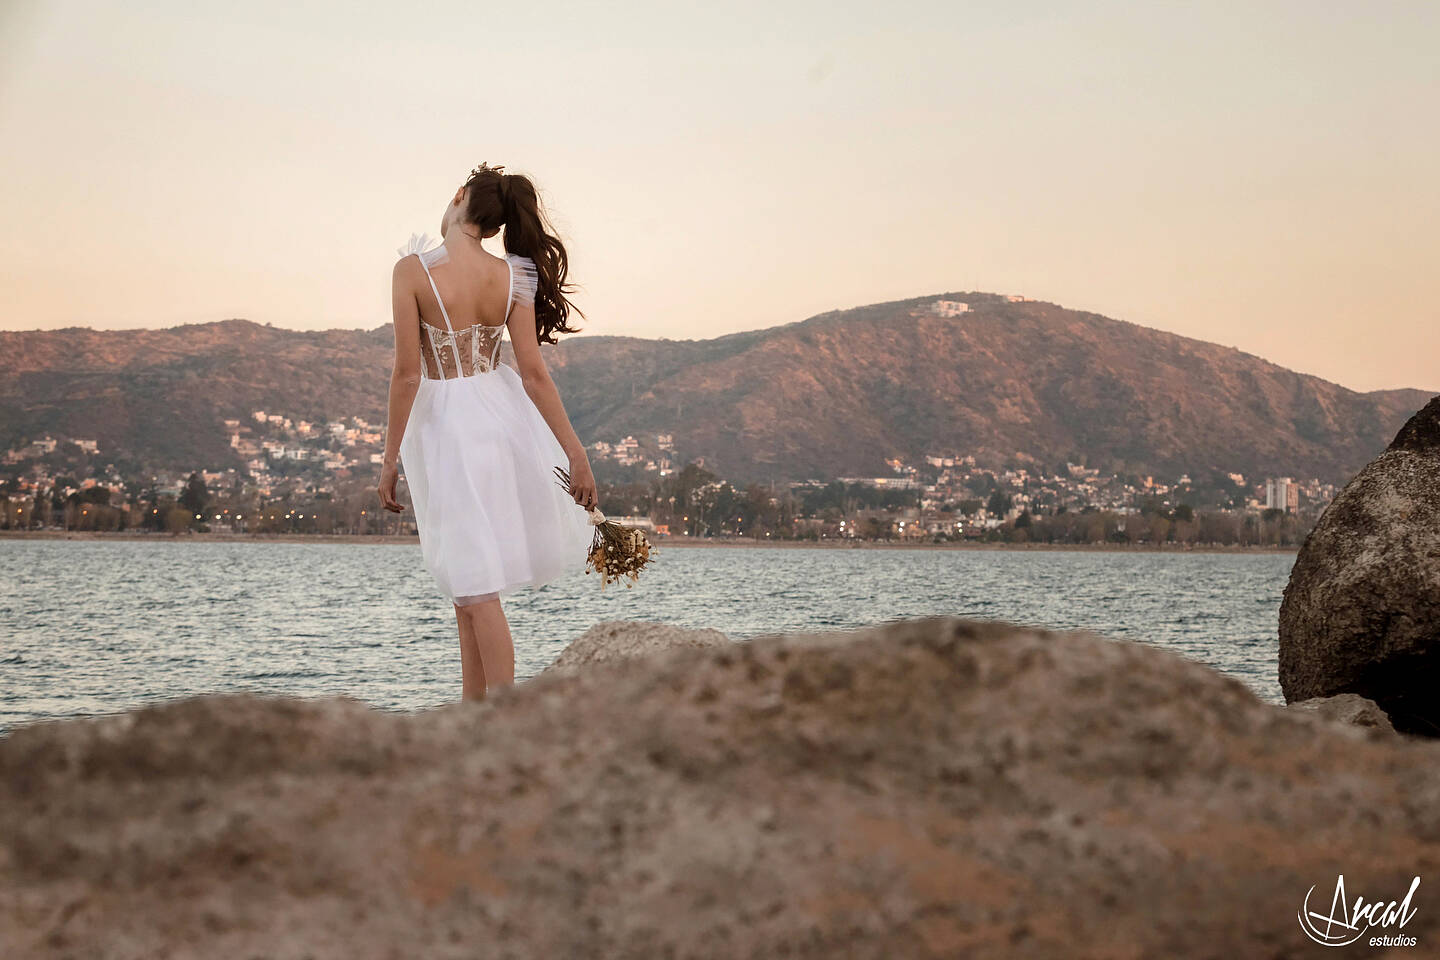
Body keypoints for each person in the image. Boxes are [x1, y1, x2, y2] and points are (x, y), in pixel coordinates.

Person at [377, 162, 598, 701]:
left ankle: (503, 719)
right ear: (496, 224)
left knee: (476, 589)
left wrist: (387, 458)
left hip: (447, 428)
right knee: (466, 587)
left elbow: (407, 374)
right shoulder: (513, 277)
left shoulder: (413, 271)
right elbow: (534, 373)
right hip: (497, 420)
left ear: (458, 198)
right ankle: (472, 716)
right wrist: (577, 452)